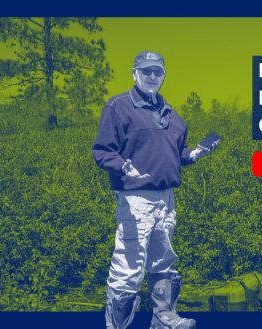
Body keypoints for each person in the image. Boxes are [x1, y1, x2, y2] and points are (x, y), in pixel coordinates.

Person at [93, 51, 214, 329]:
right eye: (146, 71)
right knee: (129, 264)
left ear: (163, 76)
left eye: (157, 72)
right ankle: (116, 326)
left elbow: (175, 153)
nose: (151, 76)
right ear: (134, 73)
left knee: (163, 259)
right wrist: (123, 166)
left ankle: (164, 318)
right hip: (136, 197)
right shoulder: (118, 107)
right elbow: (102, 151)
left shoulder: (171, 114)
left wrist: (195, 153)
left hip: (166, 197)